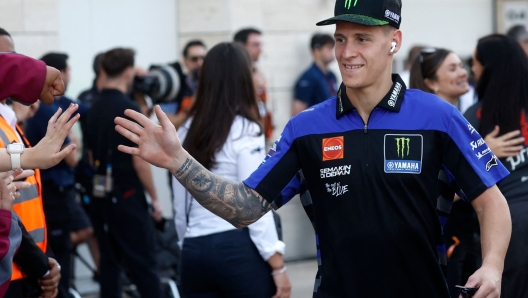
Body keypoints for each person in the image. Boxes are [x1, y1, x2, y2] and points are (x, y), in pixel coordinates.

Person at [115, 0, 512, 296]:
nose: (346, 52)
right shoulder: (306, 128)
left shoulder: (437, 117)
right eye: (340, 39)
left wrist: (493, 267)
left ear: (394, 42)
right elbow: (246, 207)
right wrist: (179, 161)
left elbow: (490, 200)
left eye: (362, 39)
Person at [172, 42, 290, 298]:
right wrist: (276, 263)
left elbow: (180, 206)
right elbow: (255, 202)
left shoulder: (184, 129)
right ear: (244, 77)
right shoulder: (246, 129)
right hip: (236, 248)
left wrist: (188, 245)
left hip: (194, 249)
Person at [85, 48, 162, 298]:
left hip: (100, 193)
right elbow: (141, 161)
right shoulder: (129, 109)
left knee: (109, 263)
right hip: (128, 195)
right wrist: (154, 197)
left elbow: (88, 154)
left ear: (104, 70)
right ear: (129, 71)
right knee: (144, 263)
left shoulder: (92, 107)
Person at [409, 47, 481, 297]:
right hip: (442, 237)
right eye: (452, 68)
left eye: (462, 66)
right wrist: (480, 171)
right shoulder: (426, 128)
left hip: (465, 233)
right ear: (431, 82)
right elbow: (429, 191)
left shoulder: (460, 117)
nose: (463, 73)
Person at [463, 34, 528, 298]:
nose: (473, 69)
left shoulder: (475, 117)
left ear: (489, 67)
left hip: (507, 229)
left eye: (476, 62)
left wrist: (482, 153)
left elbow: (455, 183)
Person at [0, 28, 61, 298]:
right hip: (12, 268)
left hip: (20, 265)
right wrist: (41, 267)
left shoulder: (10, 123)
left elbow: (29, 208)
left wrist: (47, 259)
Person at [24, 52, 89, 298]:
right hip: (54, 192)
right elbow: (72, 156)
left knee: (60, 253)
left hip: (55, 193)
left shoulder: (58, 105)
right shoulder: (47, 111)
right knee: (58, 258)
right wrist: (75, 143)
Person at [234, 28, 274, 142]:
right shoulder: (234, 75)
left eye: (260, 44)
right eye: (255, 45)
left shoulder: (256, 71)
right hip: (243, 137)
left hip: (261, 133)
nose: (260, 49)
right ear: (241, 46)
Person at [292, 33, 338, 116]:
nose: (332, 52)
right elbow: (297, 114)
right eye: (328, 48)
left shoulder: (331, 76)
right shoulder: (308, 78)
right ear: (316, 51)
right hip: (318, 126)